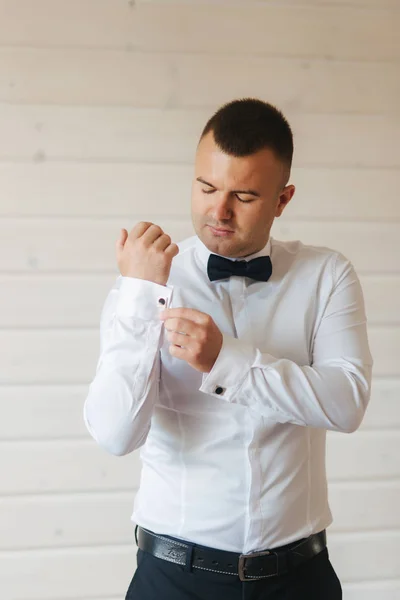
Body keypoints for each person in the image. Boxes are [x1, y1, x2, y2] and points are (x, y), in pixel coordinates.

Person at [83, 98, 373, 600]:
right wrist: (137, 294)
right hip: (172, 579)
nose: (218, 211)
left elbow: (346, 403)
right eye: (206, 187)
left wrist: (226, 361)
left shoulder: (327, 275)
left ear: (283, 200)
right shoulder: (146, 283)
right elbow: (114, 433)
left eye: (243, 195)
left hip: (300, 580)